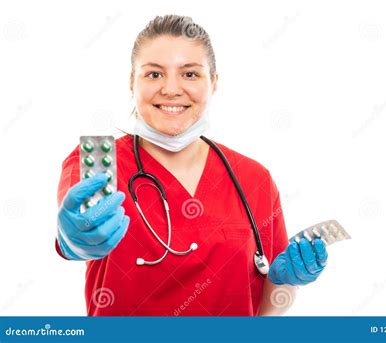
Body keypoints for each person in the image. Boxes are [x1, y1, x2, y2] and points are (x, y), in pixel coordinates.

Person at [55, 14, 328, 316]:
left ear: (214, 83)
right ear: (132, 82)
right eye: (154, 74)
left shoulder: (253, 179)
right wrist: (72, 244)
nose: (171, 89)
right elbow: (74, 232)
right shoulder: (100, 164)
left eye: (190, 74)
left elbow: (264, 313)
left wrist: (284, 282)